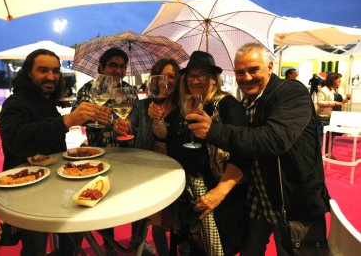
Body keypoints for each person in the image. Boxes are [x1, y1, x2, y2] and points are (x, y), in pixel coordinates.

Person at [187, 43, 330, 255]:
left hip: (293, 204)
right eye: (240, 72)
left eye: (253, 69)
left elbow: (273, 140)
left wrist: (214, 131)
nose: (246, 77)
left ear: (270, 67)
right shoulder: (247, 101)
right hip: (259, 201)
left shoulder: (291, 91)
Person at [0, 49, 111, 255]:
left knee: (74, 233)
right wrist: (66, 121)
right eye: (43, 70)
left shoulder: (45, 102)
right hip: (26, 193)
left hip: (55, 186)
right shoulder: (15, 104)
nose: (51, 77)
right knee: (35, 248)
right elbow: (16, 139)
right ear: (28, 73)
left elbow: (52, 140)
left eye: (55, 71)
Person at [147, 51, 249, 255]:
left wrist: (219, 192)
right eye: (191, 75)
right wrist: (157, 120)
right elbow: (169, 140)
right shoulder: (185, 107)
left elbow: (245, 152)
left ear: (213, 78)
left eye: (203, 74)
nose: (196, 80)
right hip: (188, 196)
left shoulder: (227, 105)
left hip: (218, 198)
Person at [75, 47, 155, 256]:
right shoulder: (87, 90)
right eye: (113, 65)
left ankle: (138, 242)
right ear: (101, 67)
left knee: (137, 200)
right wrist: (111, 122)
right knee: (103, 202)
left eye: (122, 66)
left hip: (128, 157)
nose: (119, 71)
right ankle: (108, 243)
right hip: (98, 157)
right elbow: (84, 118)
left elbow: (136, 121)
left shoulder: (128, 90)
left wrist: (129, 125)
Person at [113, 58, 181, 255]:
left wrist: (160, 121)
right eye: (161, 77)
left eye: (172, 77)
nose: (165, 81)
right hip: (150, 169)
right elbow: (129, 126)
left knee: (177, 218)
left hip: (177, 167)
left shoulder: (182, 107)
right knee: (157, 220)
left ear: (178, 81)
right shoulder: (142, 105)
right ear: (154, 79)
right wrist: (121, 126)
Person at [316, 72, 351, 156]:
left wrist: (347, 98)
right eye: (338, 80)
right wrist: (334, 103)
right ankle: (317, 158)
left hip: (334, 117)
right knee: (321, 138)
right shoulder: (323, 90)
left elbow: (341, 102)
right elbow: (319, 103)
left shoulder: (336, 89)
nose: (340, 81)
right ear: (332, 80)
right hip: (324, 118)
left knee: (331, 137)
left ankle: (328, 154)